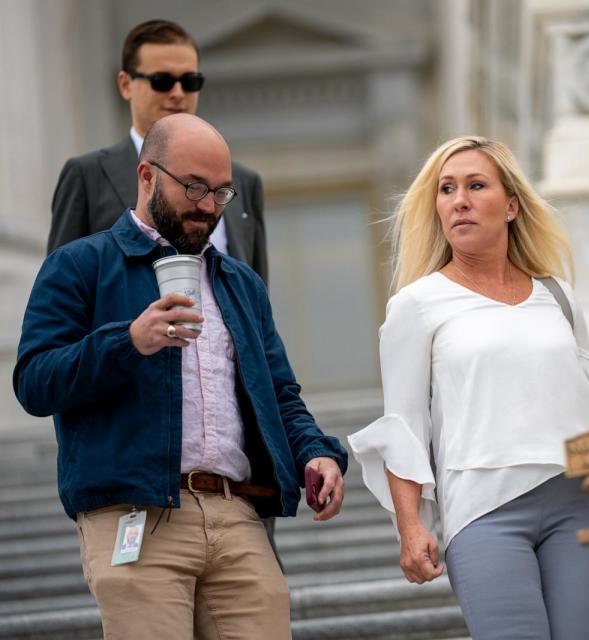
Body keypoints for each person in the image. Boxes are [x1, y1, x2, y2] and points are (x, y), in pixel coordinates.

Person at [348, 136, 589, 640]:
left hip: (579, 503)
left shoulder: (557, 296)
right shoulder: (416, 305)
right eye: (447, 189)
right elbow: (403, 425)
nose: (459, 200)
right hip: (482, 512)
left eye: (475, 185)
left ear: (511, 205)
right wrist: (411, 526)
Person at [14, 113, 346, 639]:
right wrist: (128, 341)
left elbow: (279, 393)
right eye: (194, 187)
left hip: (237, 516)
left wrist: (317, 452)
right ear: (147, 176)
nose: (209, 206)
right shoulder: (79, 265)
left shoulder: (241, 283)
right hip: (134, 514)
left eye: (221, 192)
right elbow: (33, 381)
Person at [48, 19, 269, 282]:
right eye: (161, 81)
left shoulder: (243, 182)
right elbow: (58, 292)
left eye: (190, 81)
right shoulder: (86, 176)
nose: (177, 93)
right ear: (125, 84)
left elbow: (256, 297)